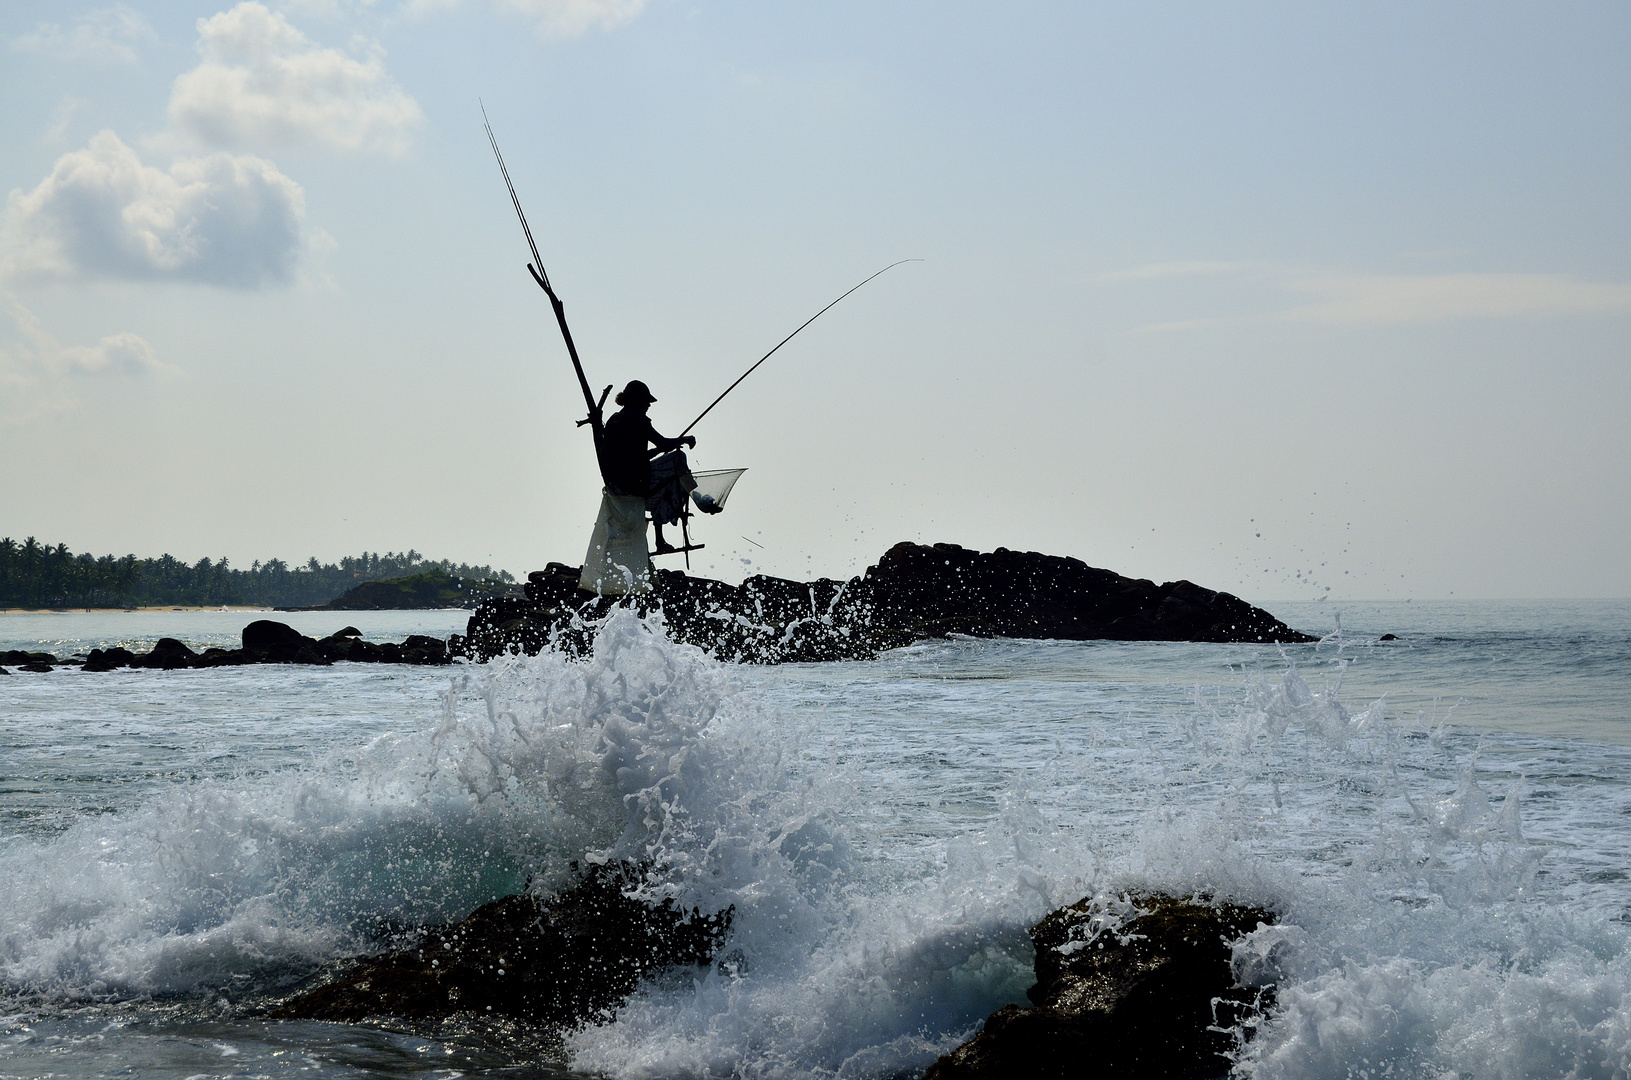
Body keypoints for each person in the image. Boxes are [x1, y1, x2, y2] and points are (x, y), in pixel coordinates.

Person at [601, 380, 697, 553]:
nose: (648, 406)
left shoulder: (614, 420)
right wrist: (684, 439)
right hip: (634, 482)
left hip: (620, 480)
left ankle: (660, 540)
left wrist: (657, 450)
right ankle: (699, 498)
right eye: (646, 402)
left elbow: (632, 456)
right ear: (637, 401)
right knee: (678, 460)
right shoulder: (637, 418)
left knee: (670, 469)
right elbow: (664, 443)